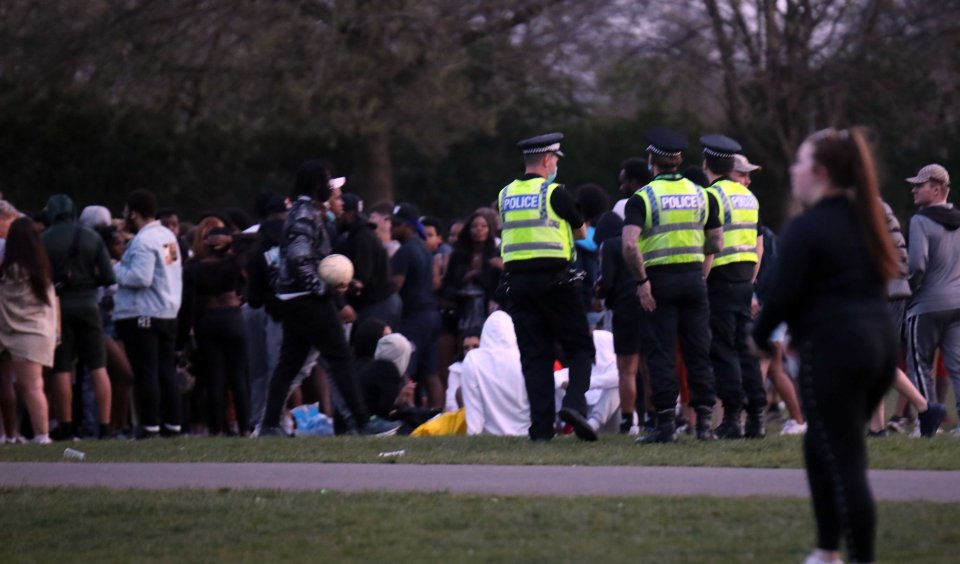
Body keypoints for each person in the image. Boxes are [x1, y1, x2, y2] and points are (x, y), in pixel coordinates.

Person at [753, 127, 898, 564]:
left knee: (845, 459)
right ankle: (826, 549)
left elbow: (782, 295)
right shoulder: (866, 219)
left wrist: (759, 338)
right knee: (824, 447)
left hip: (836, 348)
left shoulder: (808, 225)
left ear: (817, 172)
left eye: (798, 162)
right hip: (879, 344)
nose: (792, 171)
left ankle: (856, 556)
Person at [258, 160, 398, 437]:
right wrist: (326, 289)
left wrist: (340, 283)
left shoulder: (305, 212)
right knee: (341, 356)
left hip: (297, 299)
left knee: (289, 364)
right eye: (328, 182)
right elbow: (300, 259)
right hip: (307, 299)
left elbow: (310, 259)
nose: (333, 189)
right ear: (315, 186)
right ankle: (363, 421)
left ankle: (270, 425)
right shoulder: (304, 215)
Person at [622, 127, 723, 443]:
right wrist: (701, 275)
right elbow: (717, 242)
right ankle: (704, 424)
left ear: (651, 159)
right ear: (679, 160)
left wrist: (641, 282)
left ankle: (665, 426)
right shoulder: (703, 195)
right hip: (694, 278)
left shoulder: (643, 198)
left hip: (659, 282)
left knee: (661, 353)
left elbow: (628, 245)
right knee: (698, 352)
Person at [497, 132, 597, 442]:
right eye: (554, 159)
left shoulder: (505, 195)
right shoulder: (556, 193)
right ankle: (574, 405)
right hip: (556, 282)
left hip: (517, 286)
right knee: (580, 346)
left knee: (534, 355)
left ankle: (540, 430)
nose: (555, 165)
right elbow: (581, 233)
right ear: (545, 160)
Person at [700, 136, 766, 439]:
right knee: (746, 349)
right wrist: (752, 281)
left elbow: (709, 244)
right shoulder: (748, 198)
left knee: (723, 350)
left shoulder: (710, 196)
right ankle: (757, 417)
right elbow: (757, 243)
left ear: (706, 165)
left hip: (720, 278)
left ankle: (731, 418)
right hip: (744, 279)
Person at [41, 194, 116, 440]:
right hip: (88, 305)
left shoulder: (44, 239)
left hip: (59, 308)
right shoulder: (92, 237)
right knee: (98, 366)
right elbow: (108, 277)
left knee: (62, 369)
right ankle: (104, 427)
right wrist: (86, 282)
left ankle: (65, 427)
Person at [113, 189, 184, 439]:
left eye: (125, 212)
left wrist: (116, 270)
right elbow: (169, 270)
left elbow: (141, 277)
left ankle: (150, 425)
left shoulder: (143, 241)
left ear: (134, 213)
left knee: (146, 371)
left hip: (143, 313)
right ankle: (173, 423)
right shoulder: (167, 237)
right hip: (167, 310)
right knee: (166, 370)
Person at [904, 163, 960, 435]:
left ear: (936, 189)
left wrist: (909, 290)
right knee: (957, 365)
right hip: (957, 303)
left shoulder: (920, 220)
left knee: (920, 365)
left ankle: (928, 422)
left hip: (926, 304)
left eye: (919, 185)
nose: (914, 190)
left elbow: (917, 264)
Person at [0, 217, 59, 443]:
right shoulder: (42, 269)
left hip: (16, 333)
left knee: (28, 387)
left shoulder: (11, 271)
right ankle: (41, 435)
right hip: (39, 332)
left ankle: (38, 436)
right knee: (35, 386)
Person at [390, 202, 444, 409]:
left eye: (396, 224)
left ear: (408, 226)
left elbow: (395, 285)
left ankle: (407, 415)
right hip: (431, 315)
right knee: (431, 374)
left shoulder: (405, 251)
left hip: (414, 318)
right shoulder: (423, 248)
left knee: (405, 370)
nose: (393, 228)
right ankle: (438, 415)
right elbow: (434, 283)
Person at [440, 210, 503, 339]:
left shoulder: (496, 255)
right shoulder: (458, 256)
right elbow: (447, 284)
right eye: (474, 226)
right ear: (468, 230)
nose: (479, 229)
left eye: (483, 226)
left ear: (489, 230)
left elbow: (499, 284)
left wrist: (477, 275)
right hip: (461, 311)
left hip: (488, 309)